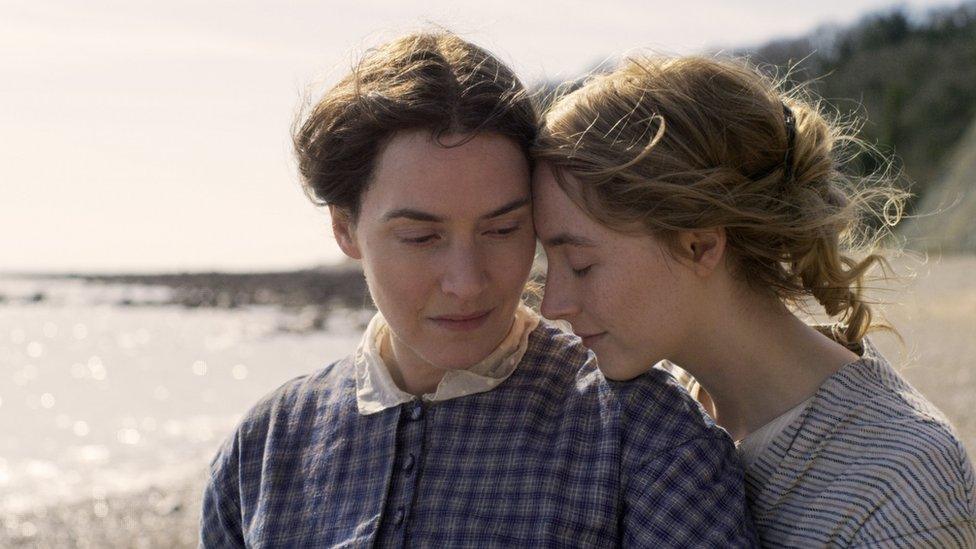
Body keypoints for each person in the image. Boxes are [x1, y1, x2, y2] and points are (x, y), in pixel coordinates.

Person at [199, 34, 758, 547]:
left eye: (502, 230)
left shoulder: (648, 441)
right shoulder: (266, 449)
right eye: (421, 237)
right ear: (345, 227)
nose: (466, 283)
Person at [532, 55, 976, 547]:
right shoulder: (663, 407)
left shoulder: (901, 488)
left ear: (698, 245)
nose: (552, 304)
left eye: (580, 265)